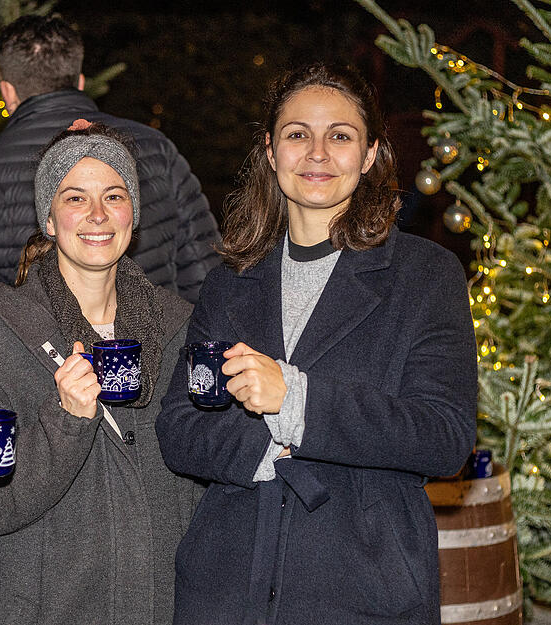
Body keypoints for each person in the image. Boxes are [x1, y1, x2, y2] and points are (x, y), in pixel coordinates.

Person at [155, 63, 477, 625]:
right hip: (225, 590)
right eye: (298, 134)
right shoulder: (230, 281)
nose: (318, 153)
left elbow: (443, 437)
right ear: (271, 151)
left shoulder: (424, 276)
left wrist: (298, 402)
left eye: (340, 136)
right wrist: (266, 451)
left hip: (362, 590)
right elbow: (180, 428)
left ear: (370, 154)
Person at [0, 120, 203, 625]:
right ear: (48, 219)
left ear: (134, 214)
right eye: (75, 198)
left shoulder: (178, 331)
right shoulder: (5, 340)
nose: (97, 214)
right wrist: (65, 421)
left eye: (114, 196)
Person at [0, 14, 220, 370]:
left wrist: (7, 388)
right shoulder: (157, 148)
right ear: (81, 81)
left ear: (7, 92)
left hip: (43, 377)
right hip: (156, 366)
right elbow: (205, 273)